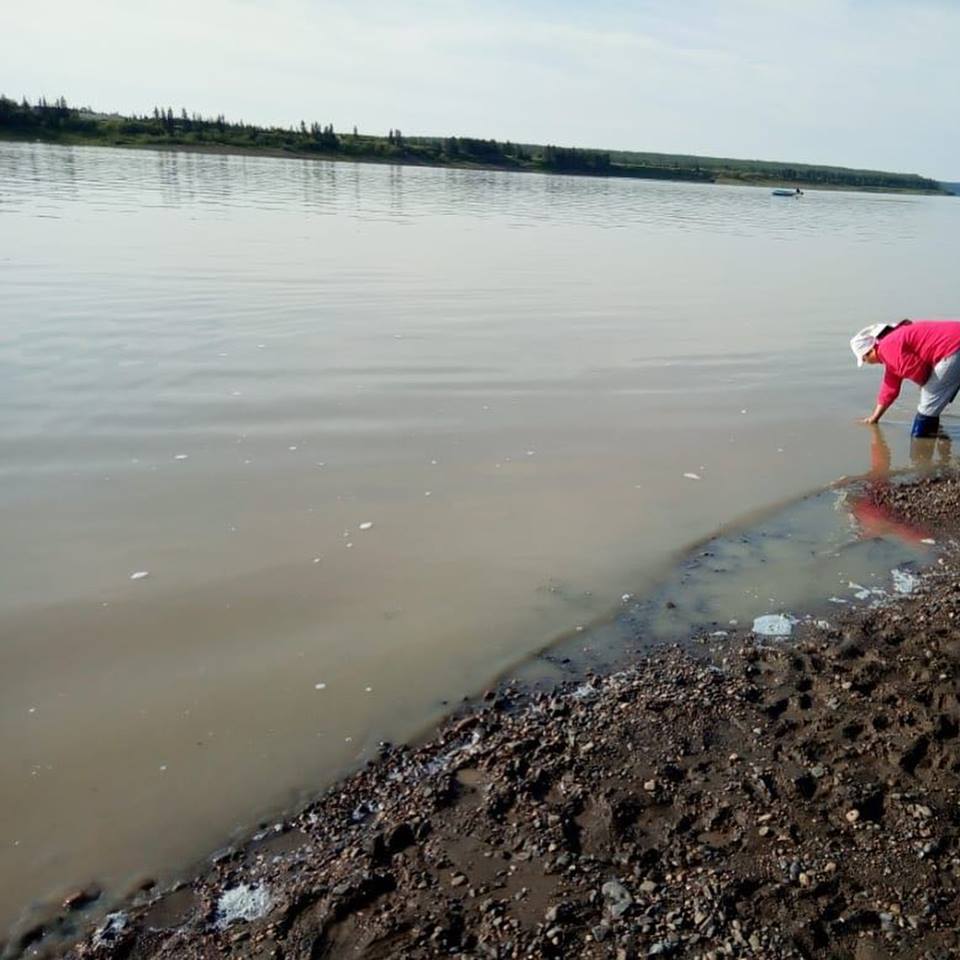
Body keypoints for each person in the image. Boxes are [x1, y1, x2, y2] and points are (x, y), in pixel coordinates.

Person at [850, 318, 960, 437]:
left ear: (870, 351)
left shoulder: (887, 349)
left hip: (953, 347)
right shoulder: (891, 346)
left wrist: (923, 383)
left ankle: (921, 443)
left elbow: (919, 371)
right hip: (954, 342)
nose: (867, 362)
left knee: (926, 409)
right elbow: (889, 389)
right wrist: (874, 418)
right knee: (934, 395)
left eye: (864, 359)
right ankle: (935, 432)